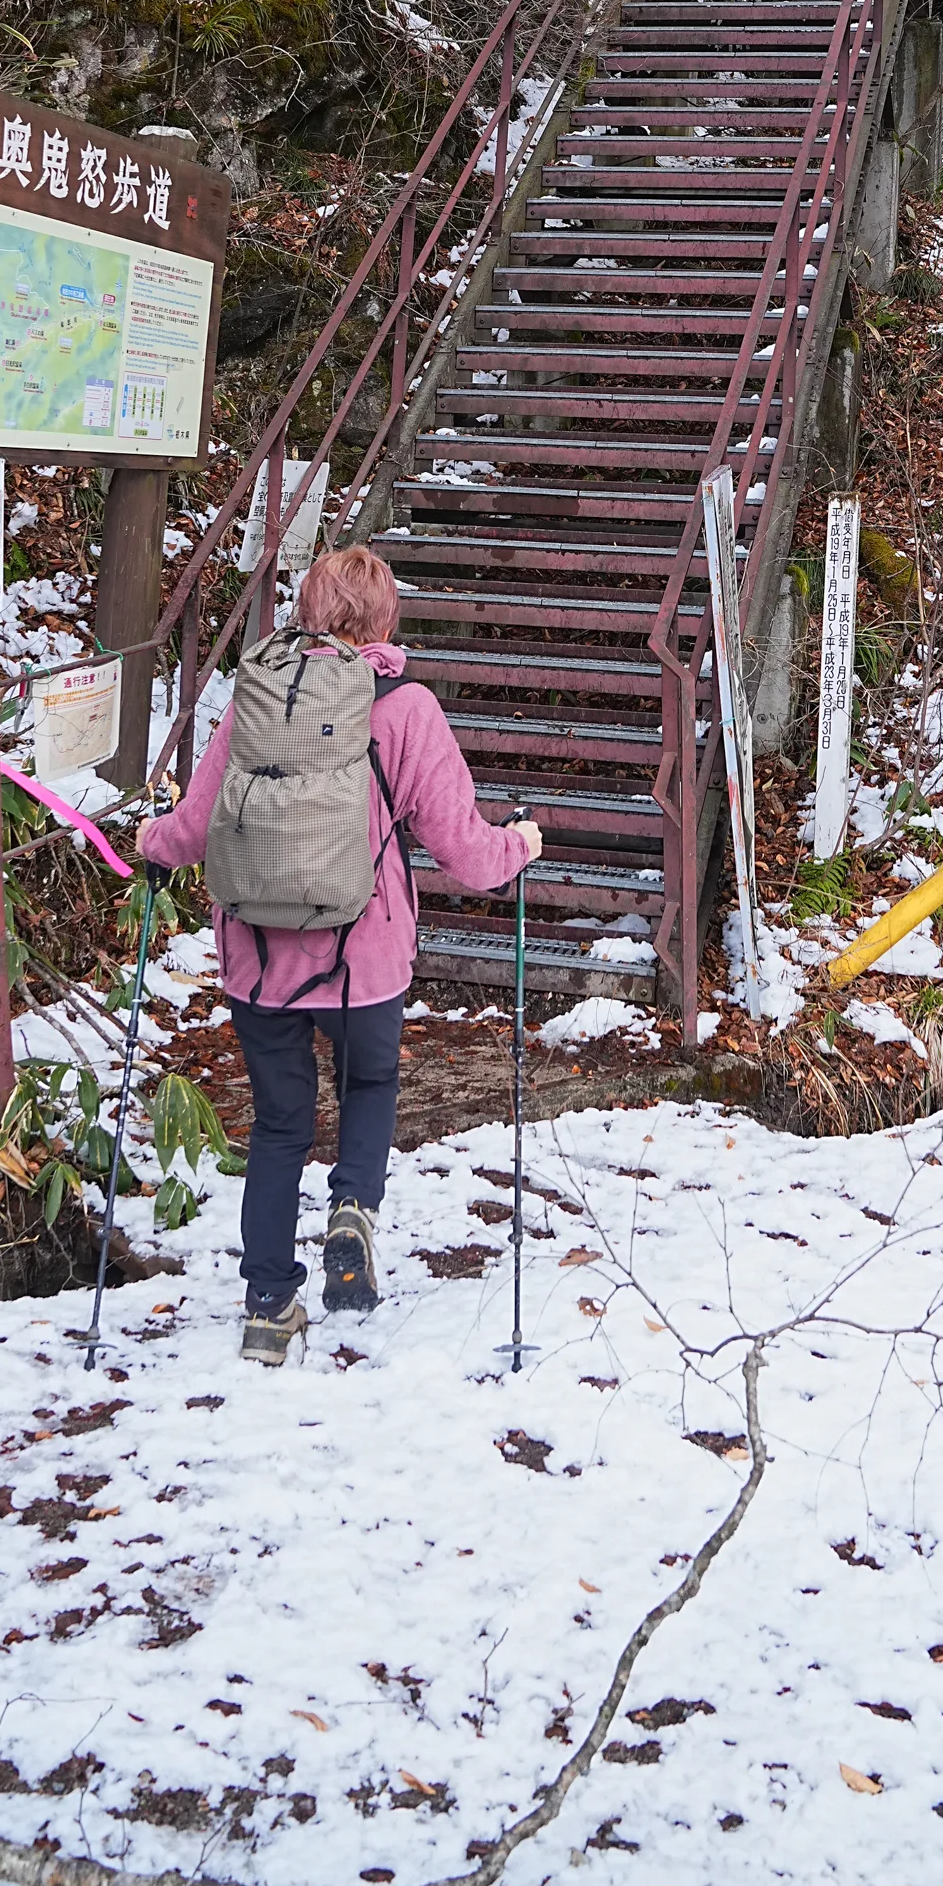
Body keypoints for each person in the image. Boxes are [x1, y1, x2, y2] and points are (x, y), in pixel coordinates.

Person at [138, 543, 539, 1365]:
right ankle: (353, 1207)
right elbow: (465, 850)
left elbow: (193, 825)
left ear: (305, 612)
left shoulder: (257, 696)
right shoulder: (406, 709)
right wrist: (521, 845)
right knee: (371, 1083)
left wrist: (148, 842)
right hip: (367, 953)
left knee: (281, 1127)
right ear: (386, 620)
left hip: (259, 957)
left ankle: (267, 1306)